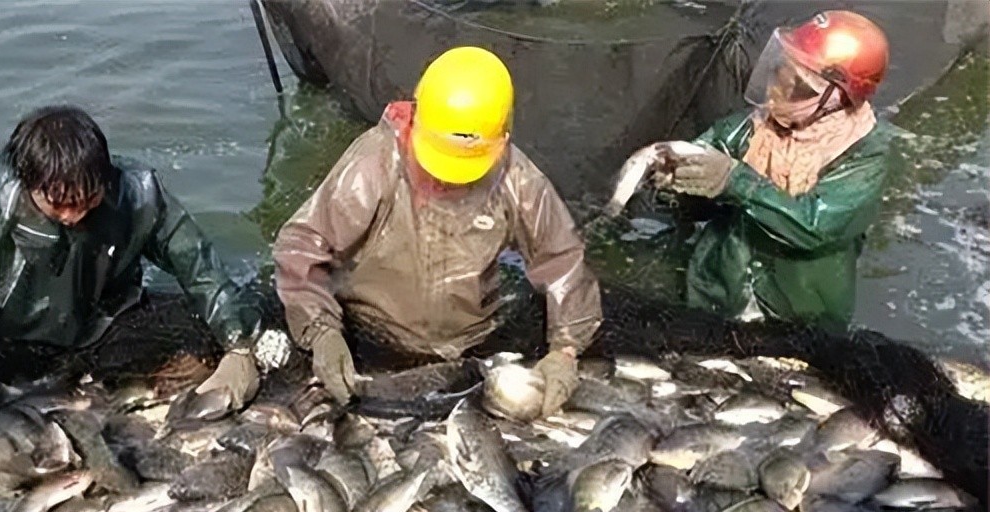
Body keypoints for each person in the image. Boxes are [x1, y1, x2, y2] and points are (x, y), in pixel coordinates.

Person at [0, 105, 269, 427]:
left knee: (222, 332)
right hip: (2, 342)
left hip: (103, 326)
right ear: (29, 184)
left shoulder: (139, 194)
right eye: (59, 204)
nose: (74, 215)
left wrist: (239, 345)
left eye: (88, 200)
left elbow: (200, 269)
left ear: (105, 177)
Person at [272, 46, 602, 416]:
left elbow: (562, 261)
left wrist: (565, 351)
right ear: (415, 119)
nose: (447, 177)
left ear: (502, 140)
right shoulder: (375, 163)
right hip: (374, 333)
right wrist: (322, 332)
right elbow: (302, 246)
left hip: (473, 342)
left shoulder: (518, 178)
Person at [654, 10, 893, 330]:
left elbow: (815, 227)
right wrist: (676, 183)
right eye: (781, 70)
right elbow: (698, 191)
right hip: (718, 290)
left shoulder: (864, 154)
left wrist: (734, 181)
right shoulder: (747, 129)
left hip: (803, 311)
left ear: (838, 98)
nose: (779, 88)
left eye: (800, 85)